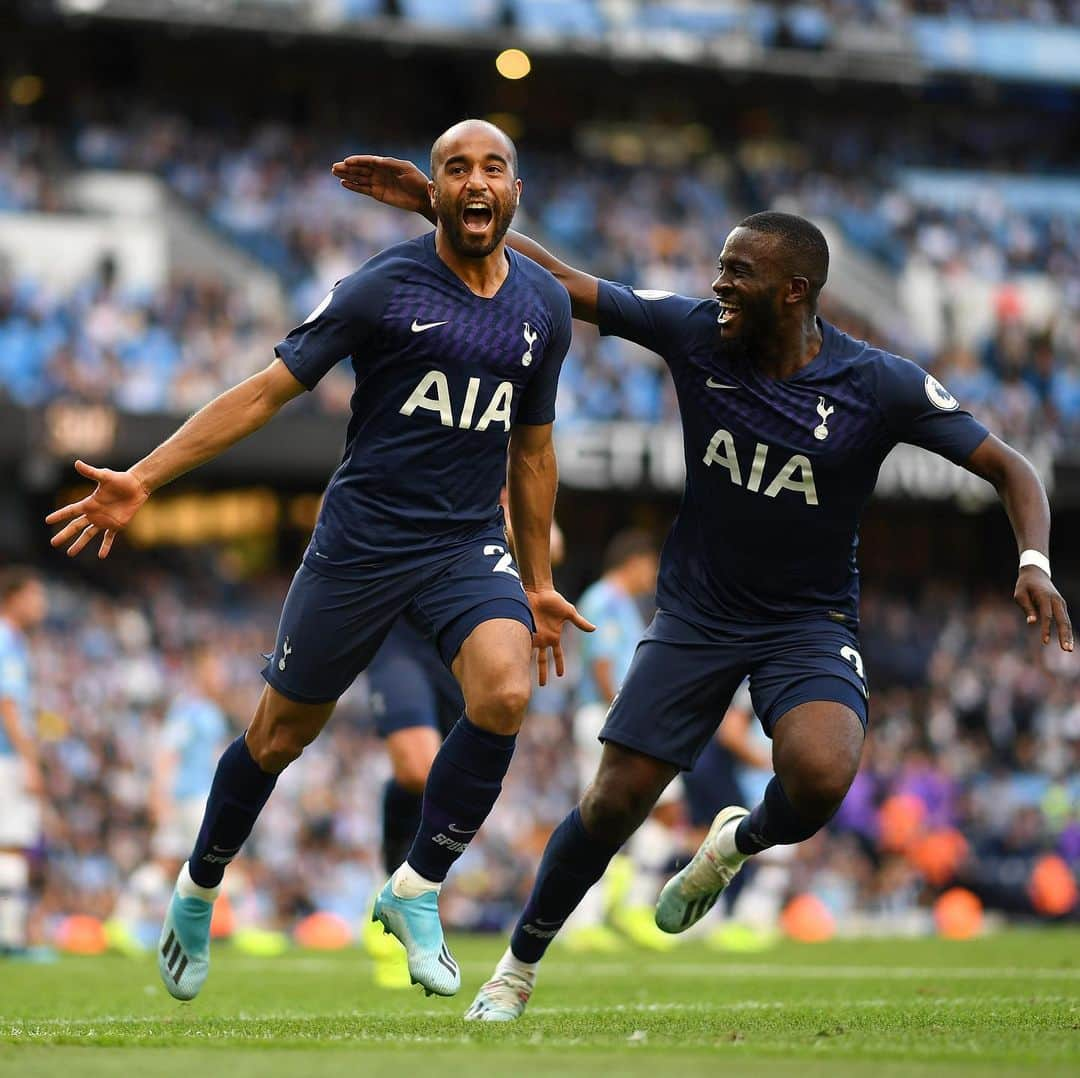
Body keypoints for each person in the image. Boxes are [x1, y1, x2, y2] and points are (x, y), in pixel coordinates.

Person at [334, 154, 1072, 1020]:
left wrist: (1033, 561)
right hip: (697, 614)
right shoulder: (693, 333)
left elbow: (1008, 464)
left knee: (822, 779)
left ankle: (735, 844)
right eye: (720, 266)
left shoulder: (880, 385)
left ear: (794, 291)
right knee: (612, 804)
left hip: (808, 617)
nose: (717, 282)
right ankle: (518, 967)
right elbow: (566, 281)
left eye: (738, 272)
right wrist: (449, 203)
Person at [47, 119, 592, 1003]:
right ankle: (198, 884)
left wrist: (537, 583)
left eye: (494, 166)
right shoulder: (382, 286)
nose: (475, 180)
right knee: (278, 737)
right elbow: (267, 391)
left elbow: (532, 453)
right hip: (362, 543)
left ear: (515, 193)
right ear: (437, 190)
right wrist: (142, 479)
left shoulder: (545, 308)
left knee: (504, 692)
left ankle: (415, 888)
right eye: (456, 168)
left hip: (463, 543)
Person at [566, 529, 679, 951]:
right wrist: (626, 713)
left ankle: (628, 900)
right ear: (632, 562)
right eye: (649, 566)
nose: (652, 575)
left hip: (626, 716)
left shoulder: (625, 606)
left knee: (664, 809)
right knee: (598, 813)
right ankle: (586, 918)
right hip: (608, 716)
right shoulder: (602, 600)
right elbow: (602, 666)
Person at [0, 568, 47, 955]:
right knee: (11, 846)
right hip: (6, 757)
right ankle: (10, 939)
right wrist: (28, 760)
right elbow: (8, 705)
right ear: (14, 598)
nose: (41, 605)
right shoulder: (7, 640)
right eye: (35, 596)